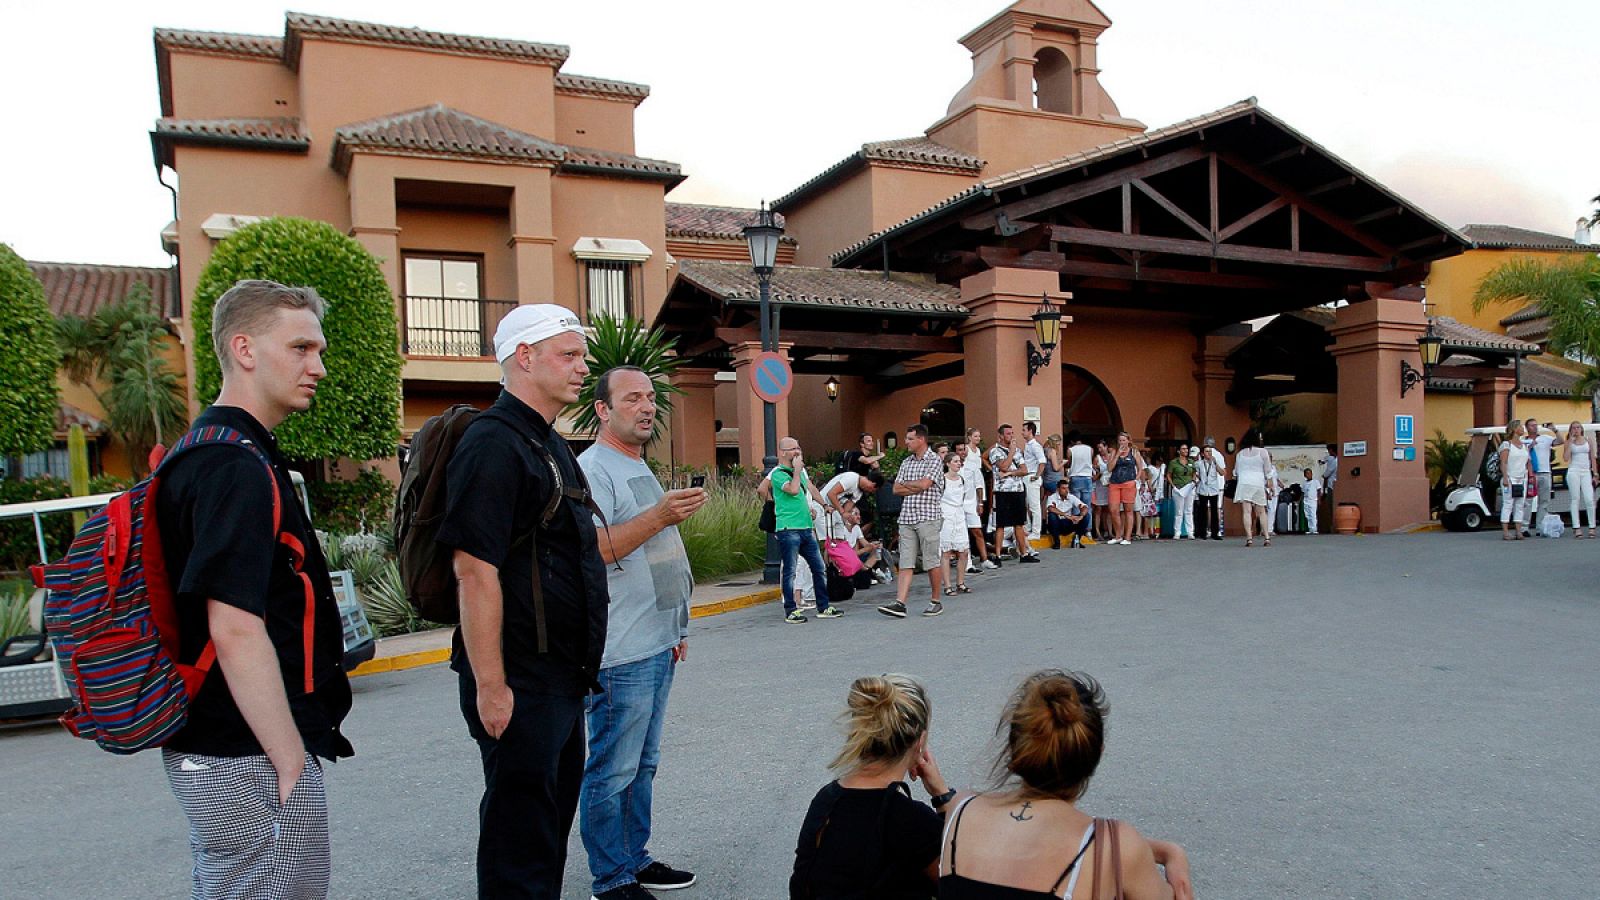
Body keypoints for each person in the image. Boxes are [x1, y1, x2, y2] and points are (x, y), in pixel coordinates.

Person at [157, 280, 351, 900]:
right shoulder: (232, 465)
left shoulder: (208, 448)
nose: (317, 366)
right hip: (245, 752)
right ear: (243, 348)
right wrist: (288, 756)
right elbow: (235, 625)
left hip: (231, 745)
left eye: (318, 350)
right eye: (299, 348)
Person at [440, 303, 610, 899]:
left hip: (559, 677)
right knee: (520, 842)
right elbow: (474, 570)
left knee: (545, 832)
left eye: (582, 355)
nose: (582, 367)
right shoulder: (494, 442)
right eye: (569, 355)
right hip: (521, 680)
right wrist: (491, 684)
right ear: (524, 357)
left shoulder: (545, 442)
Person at [577, 367, 705, 899]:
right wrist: (658, 516)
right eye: (633, 398)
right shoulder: (591, 469)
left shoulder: (638, 466)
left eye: (651, 397)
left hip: (655, 640)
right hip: (619, 649)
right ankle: (611, 878)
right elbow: (594, 550)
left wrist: (675, 625)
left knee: (643, 764)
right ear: (604, 411)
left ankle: (635, 856)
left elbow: (655, 557)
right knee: (612, 767)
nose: (647, 407)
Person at [937, 670, 1193, 900]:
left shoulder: (960, 810)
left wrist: (1159, 850)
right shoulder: (1117, 847)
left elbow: (1024, 841)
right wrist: (1172, 853)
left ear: (1014, 751)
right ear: (1096, 754)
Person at [790, 674, 953, 899]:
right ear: (920, 742)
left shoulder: (826, 799)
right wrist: (942, 796)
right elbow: (961, 884)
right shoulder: (909, 819)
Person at [880, 424, 948, 619]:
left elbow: (926, 484)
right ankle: (900, 603)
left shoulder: (934, 460)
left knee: (931, 560)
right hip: (907, 517)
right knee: (906, 561)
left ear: (921, 440)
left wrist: (909, 486)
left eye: (910, 439)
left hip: (928, 516)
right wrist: (915, 486)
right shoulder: (906, 462)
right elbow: (896, 489)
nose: (906, 442)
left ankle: (935, 600)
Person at [772, 438, 842, 623]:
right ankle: (791, 610)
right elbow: (793, 490)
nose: (797, 451)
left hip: (805, 528)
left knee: (819, 568)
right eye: (793, 449)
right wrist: (796, 471)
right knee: (790, 571)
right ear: (783, 453)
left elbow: (809, 488)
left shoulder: (800, 473)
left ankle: (824, 606)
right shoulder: (778, 474)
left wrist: (823, 505)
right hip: (788, 529)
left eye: (798, 447)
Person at [988, 425, 1039, 564]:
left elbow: (1024, 470)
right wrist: (1010, 453)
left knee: (1019, 523)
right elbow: (1003, 465)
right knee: (1001, 525)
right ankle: (998, 556)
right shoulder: (995, 451)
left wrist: (1010, 473)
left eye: (1012, 433)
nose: (1011, 435)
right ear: (1001, 436)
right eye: (1008, 433)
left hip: (1017, 490)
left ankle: (1024, 554)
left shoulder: (1017, 451)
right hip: (1003, 491)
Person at [937, 450, 974, 598]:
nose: (959, 464)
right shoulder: (942, 480)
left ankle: (960, 583)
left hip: (959, 516)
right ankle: (947, 585)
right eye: (955, 461)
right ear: (948, 464)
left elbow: (965, 496)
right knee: (946, 552)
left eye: (959, 461)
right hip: (946, 516)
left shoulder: (962, 480)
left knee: (963, 551)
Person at [1233, 429, 1274, 548]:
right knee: (1261, 511)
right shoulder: (1263, 452)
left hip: (1244, 483)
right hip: (1258, 483)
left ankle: (1249, 539)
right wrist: (1270, 482)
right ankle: (1266, 537)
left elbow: (1236, 472)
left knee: (1246, 511)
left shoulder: (1240, 454)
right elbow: (1268, 470)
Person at [957, 437, 992, 573]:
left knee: (977, 531)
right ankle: (968, 563)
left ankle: (985, 559)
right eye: (959, 450)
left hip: (972, 504)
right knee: (963, 535)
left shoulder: (972, 465)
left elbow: (979, 485)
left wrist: (980, 503)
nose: (963, 452)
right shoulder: (950, 466)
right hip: (957, 505)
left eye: (964, 449)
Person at [1525, 417, 1564, 535]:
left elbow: (1560, 441)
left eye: (1536, 425)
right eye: (1532, 425)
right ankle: (1524, 527)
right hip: (1530, 474)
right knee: (1527, 501)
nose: (1535, 427)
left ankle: (1540, 527)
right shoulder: (1524, 440)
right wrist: (1529, 447)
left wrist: (1554, 430)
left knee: (1544, 501)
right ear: (1527, 428)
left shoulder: (1545, 438)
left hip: (1545, 472)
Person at [1106, 432, 1145, 546]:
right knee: (1113, 510)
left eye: (1124, 440)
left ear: (1128, 441)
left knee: (1128, 510)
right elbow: (1109, 468)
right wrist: (1118, 454)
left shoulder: (1134, 452)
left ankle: (1127, 537)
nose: (1122, 442)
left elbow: (1140, 467)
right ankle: (1118, 535)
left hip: (1129, 482)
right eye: (1120, 440)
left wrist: (1135, 480)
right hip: (1114, 483)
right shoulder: (1114, 452)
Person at [1499, 419, 1533, 541]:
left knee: (1520, 504)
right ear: (1514, 429)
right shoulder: (1506, 445)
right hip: (1510, 477)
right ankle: (1506, 532)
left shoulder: (1524, 445)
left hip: (1521, 477)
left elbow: (1528, 462)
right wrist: (1505, 477)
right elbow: (1503, 462)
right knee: (1508, 504)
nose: (1522, 429)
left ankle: (1519, 531)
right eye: (1520, 427)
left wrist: (1530, 476)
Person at [1563, 421, 1597, 538]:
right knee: (1575, 498)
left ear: (1581, 429)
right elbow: (1566, 458)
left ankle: (1592, 526)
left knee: (1589, 498)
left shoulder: (1588, 440)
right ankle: (1576, 527)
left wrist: (1595, 473)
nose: (1576, 430)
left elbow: (1592, 457)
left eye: (1578, 427)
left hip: (1586, 471)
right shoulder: (1569, 442)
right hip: (1574, 471)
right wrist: (1570, 442)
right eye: (1574, 428)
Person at [1065, 433, 1097, 540]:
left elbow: (1069, 462)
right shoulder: (1090, 449)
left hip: (1075, 477)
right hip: (1087, 477)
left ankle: (1077, 529)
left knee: (1076, 504)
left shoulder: (1071, 450)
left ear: (1073, 442)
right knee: (1087, 505)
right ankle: (1088, 530)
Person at [1195, 437, 1227, 541]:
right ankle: (1203, 532)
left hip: (1214, 489)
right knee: (1203, 511)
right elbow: (1195, 474)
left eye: (1210, 451)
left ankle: (1215, 532)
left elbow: (1222, 473)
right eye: (1207, 451)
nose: (1209, 453)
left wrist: (1215, 463)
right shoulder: (1199, 463)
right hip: (1203, 488)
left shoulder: (1215, 461)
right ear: (1203, 453)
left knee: (1214, 510)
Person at [1021, 421, 1048, 540]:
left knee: (1034, 506)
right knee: (1025, 504)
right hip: (1026, 476)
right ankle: (1027, 529)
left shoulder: (1035, 446)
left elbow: (1042, 462)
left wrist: (1037, 475)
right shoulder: (1028, 445)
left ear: (1030, 431)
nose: (1022, 432)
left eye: (1024, 430)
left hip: (1032, 476)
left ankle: (1036, 532)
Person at [1045, 481, 1090, 549]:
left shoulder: (1071, 497)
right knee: (1052, 515)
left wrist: (1081, 516)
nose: (1066, 491)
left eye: (1067, 488)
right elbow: (1050, 508)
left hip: (1068, 523)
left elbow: (1084, 507)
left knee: (1087, 516)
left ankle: (1076, 540)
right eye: (1064, 488)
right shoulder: (1052, 497)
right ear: (1058, 489)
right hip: (1057, 524)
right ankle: (1056, 542)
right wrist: (1065, 515)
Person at [1167, 444, 1196, 539]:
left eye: (1186, 449)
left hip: (1189, 488)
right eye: (1183, 449)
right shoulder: (1174, 462)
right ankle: (1177, 532)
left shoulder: (1191, 462)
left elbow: (1194, 473)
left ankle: (1190, 532)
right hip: (1178, 488)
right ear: (1179, 451)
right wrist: (1173, 486)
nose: (1185, 450)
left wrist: (1193, 481)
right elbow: (1168, 475)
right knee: (1179, 511)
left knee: (1189, 510)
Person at [1092, 439, 1113, 541]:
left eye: (1101, 447)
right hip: (1100, 485)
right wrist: (1098, 472)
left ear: (1106, 447)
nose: (1100, 450)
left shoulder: (1111, 457)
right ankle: (1098, 532)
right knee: (1098, 509)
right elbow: (1094, 473)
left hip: (1109, 485)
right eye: (1098, 448)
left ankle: (1109, 530)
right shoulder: (1097, 458)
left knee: (1108, 509)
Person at [1301, 467, 1322, 535]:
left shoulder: (1316, 482)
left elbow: (1319, 490)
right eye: (1307, 474)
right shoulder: (1304, 483)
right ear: (1305, 475)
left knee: (1313, 514)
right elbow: (1303, 492)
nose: (1308, 475)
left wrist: (1319, 499)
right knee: (1307, 514)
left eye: (1310, 473)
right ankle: (1310, 529)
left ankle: (1314, 529)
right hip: (1306, 500)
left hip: (1313, 500)